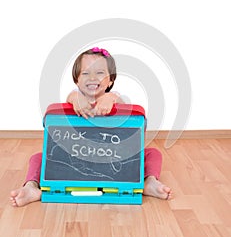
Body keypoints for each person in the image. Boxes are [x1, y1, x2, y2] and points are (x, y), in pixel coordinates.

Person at [10, 47, 172, 207]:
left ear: (110, 81)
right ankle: (31, 187)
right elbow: (71, 96)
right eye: (86, 73)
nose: (92, 78)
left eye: (100, 73)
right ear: (77, 80)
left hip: (113, 158)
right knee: (39, 157)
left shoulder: (116, 98)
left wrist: (111, 98)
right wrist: (75, 98)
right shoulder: (75, 98)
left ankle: (149, 181)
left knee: (152, 153)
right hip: (77, 157)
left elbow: (129, 115)